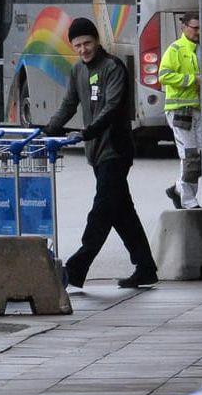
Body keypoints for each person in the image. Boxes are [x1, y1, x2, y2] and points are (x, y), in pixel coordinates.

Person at [48, 17, 158, 289]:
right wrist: (48, 130)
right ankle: (145, 267)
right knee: (122, 212)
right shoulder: (78, 70)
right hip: (96, 153)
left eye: (87, 43)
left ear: (97, 41)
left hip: (116, 151)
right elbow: (68, 104)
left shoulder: (113, 67)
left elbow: (112, 108)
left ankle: (75, 269)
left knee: (101, 212)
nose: (83, 49)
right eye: (77, 45)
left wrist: (87, 132)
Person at [156, 11, 202, 209]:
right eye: (195, 28)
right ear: (184, 27)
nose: (198, 32)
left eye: (201, 28)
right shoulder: (175, 49)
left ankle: (178, 189)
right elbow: (163, 75)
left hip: (199, 110)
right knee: (191, 156)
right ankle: (188, 201)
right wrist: (193, 81)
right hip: (179, 110)